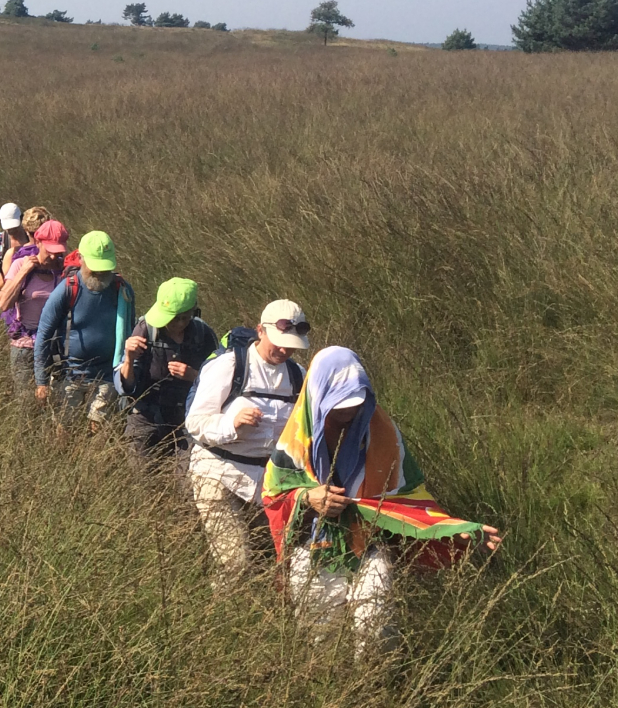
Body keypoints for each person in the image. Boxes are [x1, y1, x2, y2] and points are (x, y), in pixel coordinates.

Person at [262, 346, 503, 656]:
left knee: (375, 626)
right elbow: (273, 496)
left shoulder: (384, 436)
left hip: (370, 547)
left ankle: (376, 685)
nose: (349, 413)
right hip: (313, 550)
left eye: (357, 402)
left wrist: (450, 530)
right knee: (319, 637)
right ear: (317, 395)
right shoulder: (294, 445)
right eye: (338, 404)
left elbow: (410, 500)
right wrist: (307, 497)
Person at [183, 300, 310, 586]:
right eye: (278, 342)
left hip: (267, 481)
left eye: (291, 345)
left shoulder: (298, 375)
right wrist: (232, 423)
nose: (284, 350)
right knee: (235, 563)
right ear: (260, 331)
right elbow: (195, 423)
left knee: (269, 562)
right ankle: (219, 618)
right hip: (216, 472)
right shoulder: (230, 365)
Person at [31, 231, 135, 426]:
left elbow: (130, 333)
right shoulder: (67, 289)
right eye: (95, 267)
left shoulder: (123, 291)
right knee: (64, 431)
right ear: (81, 259)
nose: (100, 273)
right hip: (70, 375)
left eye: (104, 268)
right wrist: (42, 381)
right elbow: (43, 335)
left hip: (107, 375)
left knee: (100, 433)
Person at [119, 277, 219, 471]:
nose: (175, 324)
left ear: (190, 314)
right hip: (145, 417)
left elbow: (218, 385)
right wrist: (129, 358)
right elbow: (127, 387)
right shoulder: (145, 329)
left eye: (181, 318)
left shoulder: (203, 335)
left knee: (185, 485)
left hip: (186, 421)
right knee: (141, 479)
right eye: (169, 317)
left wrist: (194, 376)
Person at [0, 220, 68, 394]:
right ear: (38, 242)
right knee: (27, 404)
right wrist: (23, 272)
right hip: (25, 346)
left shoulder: (62, 270)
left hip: (54, 347)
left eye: (58, 252)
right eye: (50, 250)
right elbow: (3, 303)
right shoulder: (21, 264)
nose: (53, 257)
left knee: (55, 404)